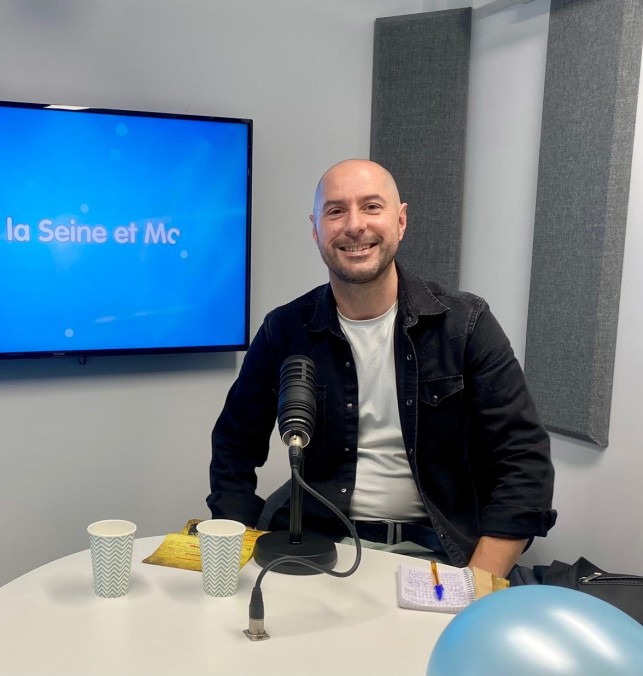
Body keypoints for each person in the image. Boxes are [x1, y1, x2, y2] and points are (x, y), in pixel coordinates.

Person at [207, 158, 556, 577]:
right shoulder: (285, 330)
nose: (354, 225)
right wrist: (238, 544)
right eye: (336, 211)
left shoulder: (465, 326)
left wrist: (475, 586)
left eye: (371, 207)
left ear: (401, 220)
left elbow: (524, 463)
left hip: (441, 553)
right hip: (318, 544)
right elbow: (233, 446)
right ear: (316, 229)